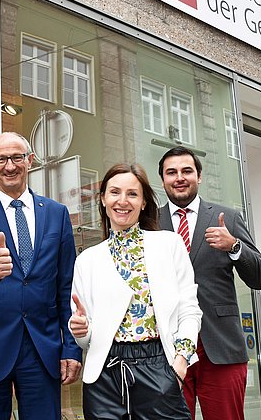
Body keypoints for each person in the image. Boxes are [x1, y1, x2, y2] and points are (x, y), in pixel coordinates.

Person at [0, 132, 82, 420]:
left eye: (17, 158)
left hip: (41, 348)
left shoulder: (56, 213)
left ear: (30, 161)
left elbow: (67, 287)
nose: (9, 166)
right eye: (1, 159)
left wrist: (71, 348)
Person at [69, 162, 202, 419]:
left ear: (143, 202)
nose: (123, 201)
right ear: (103, 199)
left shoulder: (169, 244)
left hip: (158, 366)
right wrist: (81, 330)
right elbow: (85, 337)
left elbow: (189, 308)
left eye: (132, 194)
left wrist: (180, 363)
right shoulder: (87, 259)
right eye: (115, 192)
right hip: (103, 376)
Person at [157, 146, 261, 420]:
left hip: (219, 345)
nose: (179, 177)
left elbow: (260, 277)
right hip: (167, 348)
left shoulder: (227, 217)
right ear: (162, 180)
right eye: (171, 172)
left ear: (199, 176)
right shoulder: (149, 223)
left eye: (187, 171)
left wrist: (235, 246)